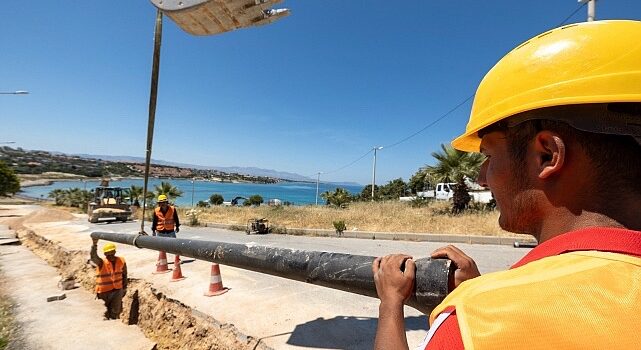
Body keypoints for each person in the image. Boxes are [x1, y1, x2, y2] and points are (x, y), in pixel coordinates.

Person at [373, 20, 641, 350]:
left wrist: (390, 303)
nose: (481, 177)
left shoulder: (477, 325)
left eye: (488, 155)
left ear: (546, 156)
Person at [91, 237, 127, 320]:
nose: (110, 255)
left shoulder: (121, 261)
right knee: (104, 312)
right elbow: (93, 257)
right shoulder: (101, 262)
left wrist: (124, 288)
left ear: (114, 252)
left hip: (117, 291)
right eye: (108, 253)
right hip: (103, 292)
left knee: (115, 311)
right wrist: (94, 245)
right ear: (105, 254)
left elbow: (124, 275)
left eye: (112, 252)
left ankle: (115, 325)